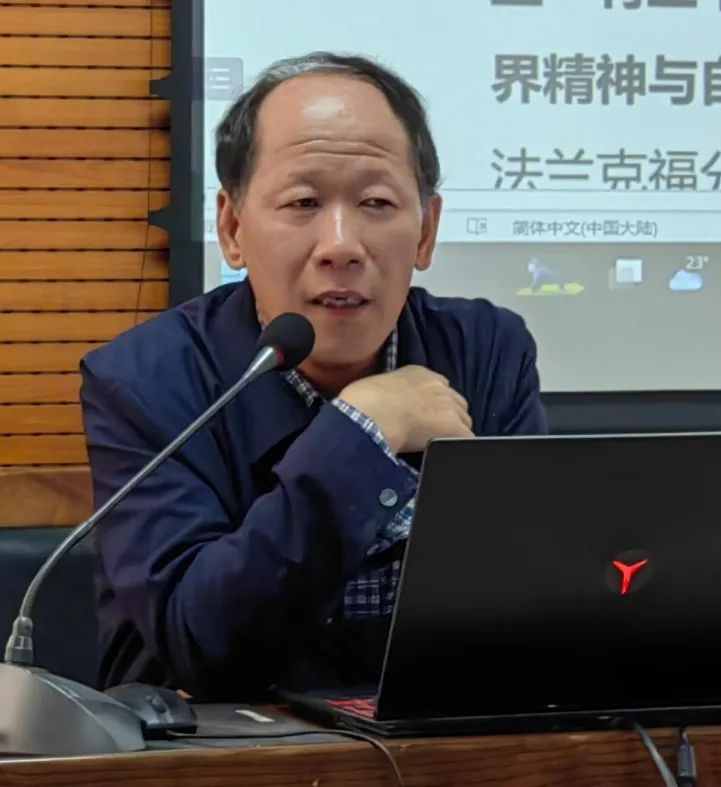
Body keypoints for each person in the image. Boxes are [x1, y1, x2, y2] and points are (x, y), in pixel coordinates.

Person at [80, 52, 548, 702]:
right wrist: (360, 431)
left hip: (441, 740)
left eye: (376, 202)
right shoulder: (146, 381)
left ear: (425, 231)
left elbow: (529, 606)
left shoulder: (485, 352)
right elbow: (200, 643)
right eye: (303, 202)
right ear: (232, 228)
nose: (341, 245)